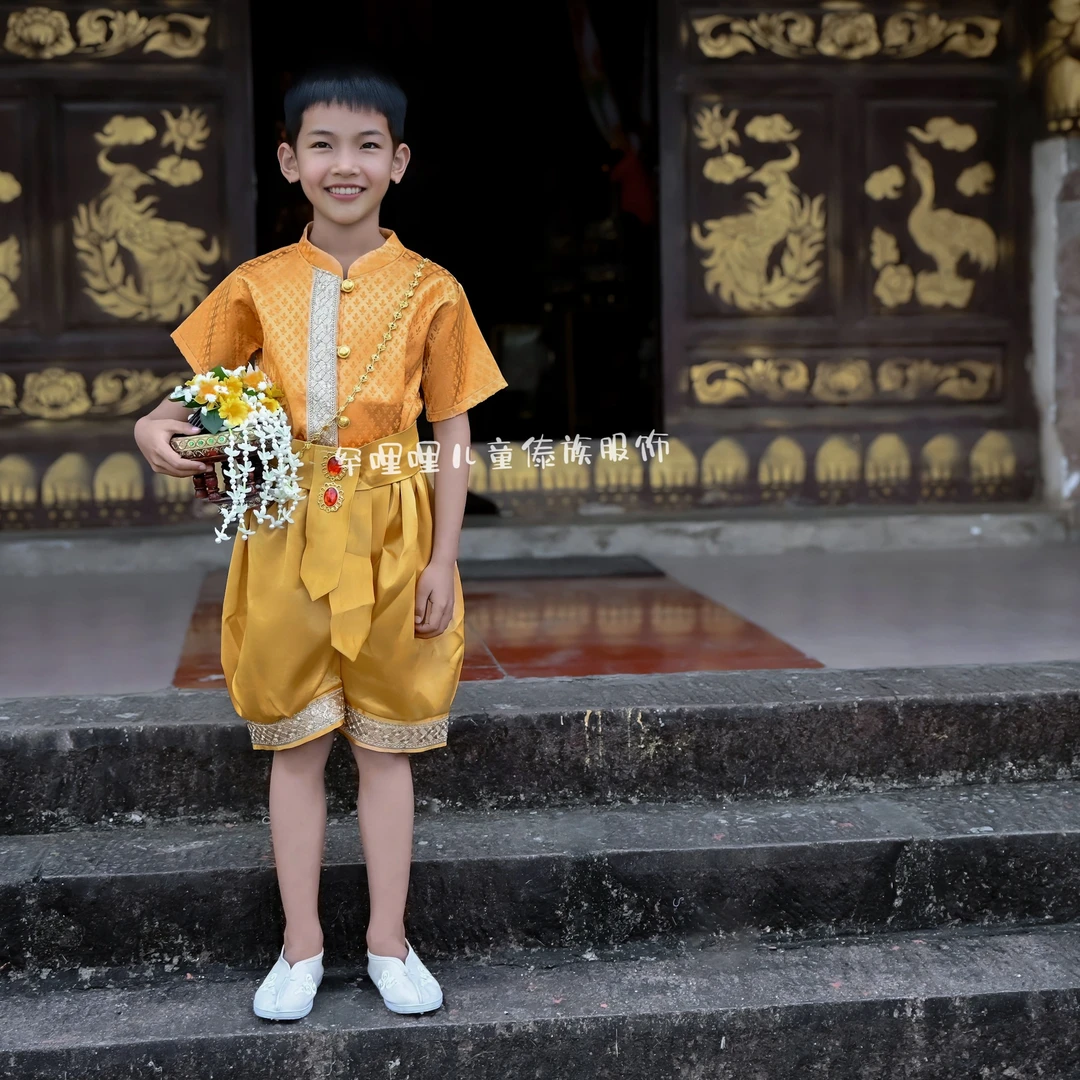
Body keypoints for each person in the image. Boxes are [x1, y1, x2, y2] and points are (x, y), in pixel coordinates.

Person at [133, 64, 508, 1021]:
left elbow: (454, 434)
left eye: (369, 145)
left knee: (388, 745)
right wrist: (154, 433)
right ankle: (300, 946)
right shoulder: (256, 285)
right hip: (283, 529)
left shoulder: (435, 290)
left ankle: (388, 941)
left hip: (392, 526)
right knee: (294, 744)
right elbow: (182, 402)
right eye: (326, 146)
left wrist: (443, 559)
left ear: (400, 162)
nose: (348, 165)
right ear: (290, 160)